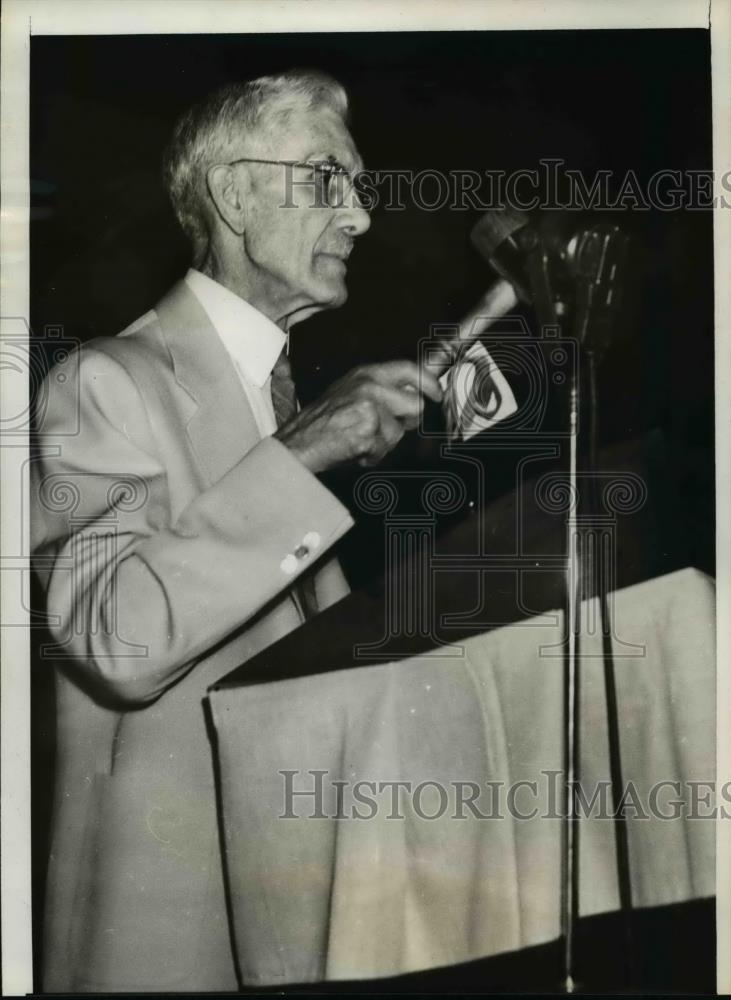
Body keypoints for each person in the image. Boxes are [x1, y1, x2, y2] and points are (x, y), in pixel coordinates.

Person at [31, 70, 444, 992]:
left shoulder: (289, 398)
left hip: (301, 914)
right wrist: (298, 459)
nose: (361, 217)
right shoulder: (106, 382)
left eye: (361, 187)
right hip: (165, 942)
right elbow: (116, 637)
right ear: (233, 194)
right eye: (327, 177)